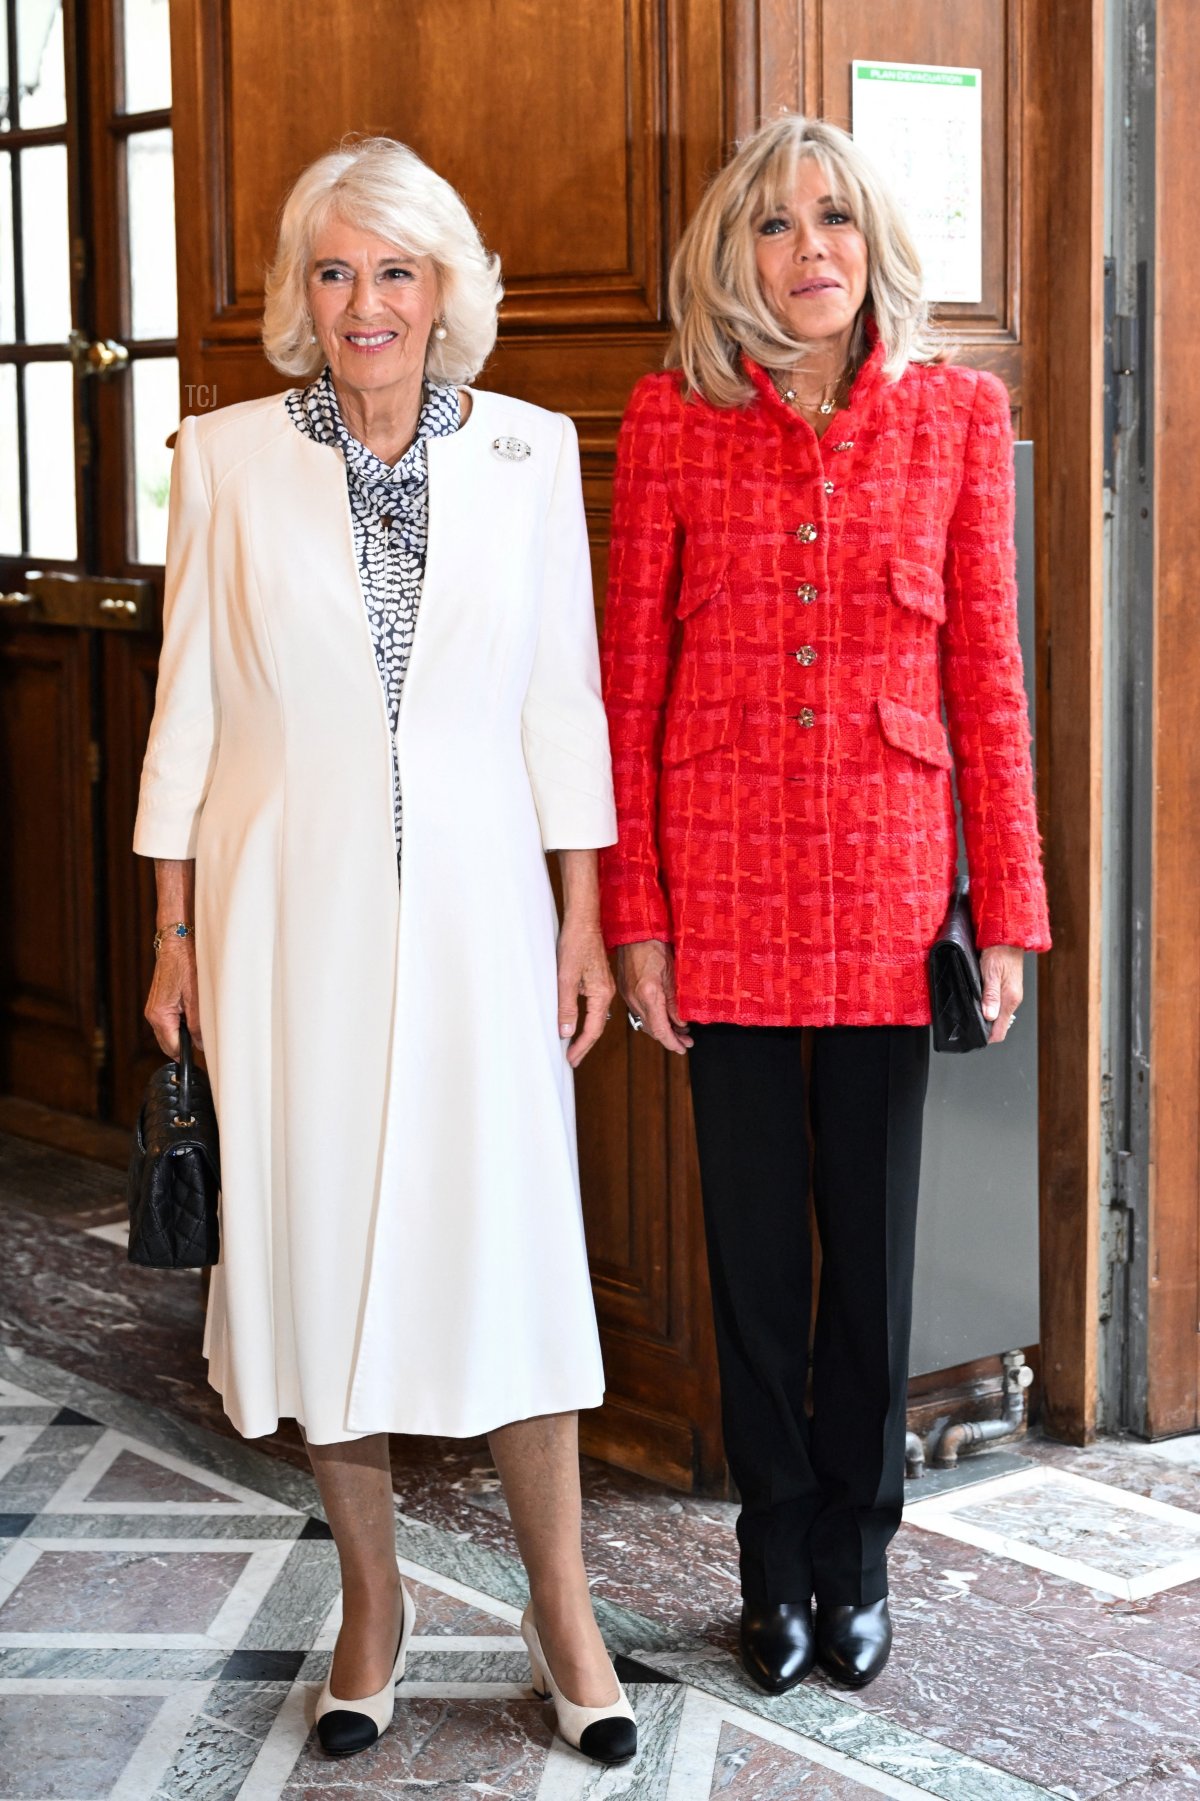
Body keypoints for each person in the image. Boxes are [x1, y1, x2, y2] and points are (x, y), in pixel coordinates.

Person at [135, 138, 637, 1766]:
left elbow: (564, 697)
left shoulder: (532, 451)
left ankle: (565, 1616)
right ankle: (375, 1606)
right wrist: (172, 934)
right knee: (319, 1243)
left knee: (510, 1249)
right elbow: (190, 703)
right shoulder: (222, 456)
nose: (368, 303)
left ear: (448, 292)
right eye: (338, 271)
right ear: (304, 291)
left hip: (493, 916)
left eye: (398, 271)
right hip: (285, 914)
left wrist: (582, 913)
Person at [599, 114, 1050, 1695]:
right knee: (747, 1258)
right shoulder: (669, 422)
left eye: (838, 220)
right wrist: (631, 913)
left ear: (875, 248)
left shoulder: (951, 421)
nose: (813, 253)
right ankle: (771, 1556)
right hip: (718, 889)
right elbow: (626, 679)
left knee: (869, 1253)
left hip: (883, 891)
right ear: (737, 254)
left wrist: (1008, 907)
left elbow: (989, 680)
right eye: (782, 226)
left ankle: (860, 1556)